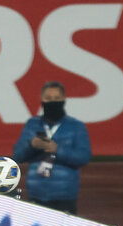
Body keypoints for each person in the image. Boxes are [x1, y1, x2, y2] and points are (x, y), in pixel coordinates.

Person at [12, 81, 91, 214]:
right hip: (36, 195)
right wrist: (31, 145)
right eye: (48, 98)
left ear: (64, 100)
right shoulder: (32, 124)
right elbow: (18, 155)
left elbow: (83, 157)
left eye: (57, 98)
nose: (52, 102)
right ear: (41, 100)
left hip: (64, 196)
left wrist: (57, 150)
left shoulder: (76, 126)